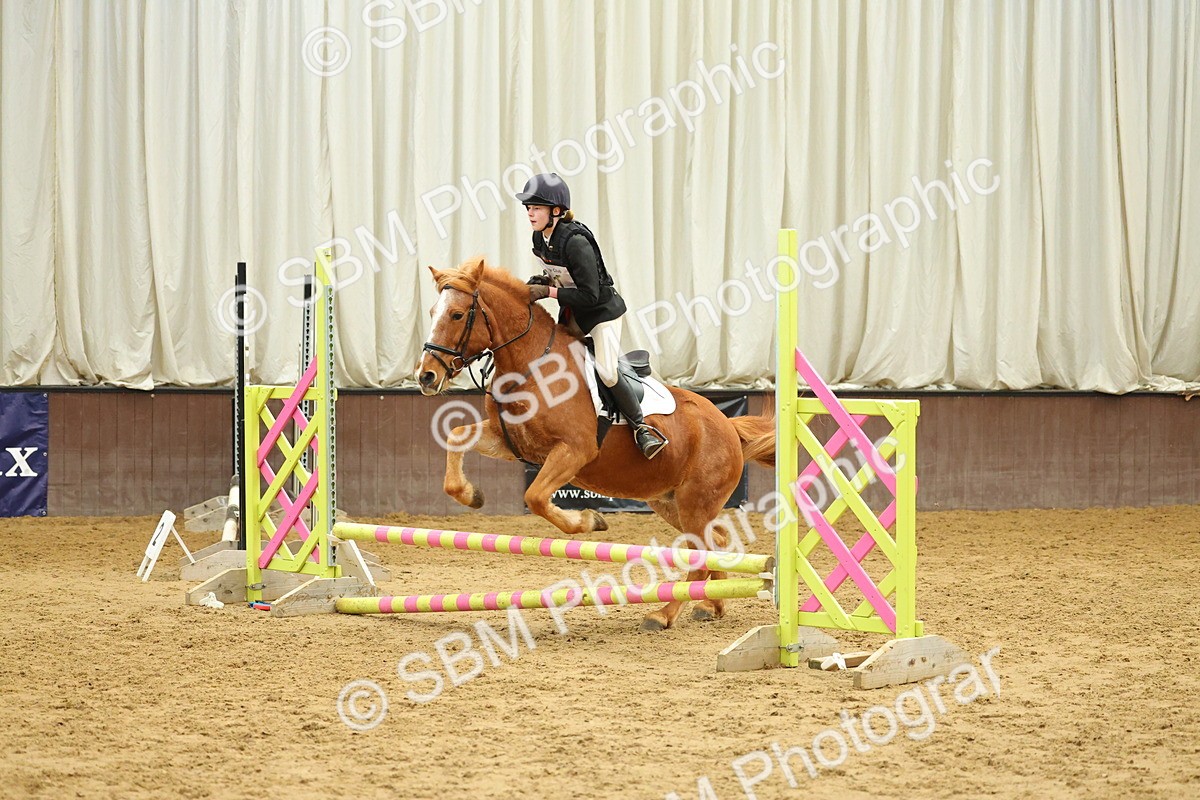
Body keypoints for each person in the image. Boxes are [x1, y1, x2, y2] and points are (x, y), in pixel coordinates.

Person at [515, 173, 667, 460]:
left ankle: (641, 427)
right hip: (574, 311)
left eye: (536, 207)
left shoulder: (576, 242)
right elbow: (560, 277)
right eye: (528, 208)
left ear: (556, 211)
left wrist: (547, 292)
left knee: (607, 371)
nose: (530, 213)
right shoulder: (540, 237)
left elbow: (590, 295)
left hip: (601, 314)